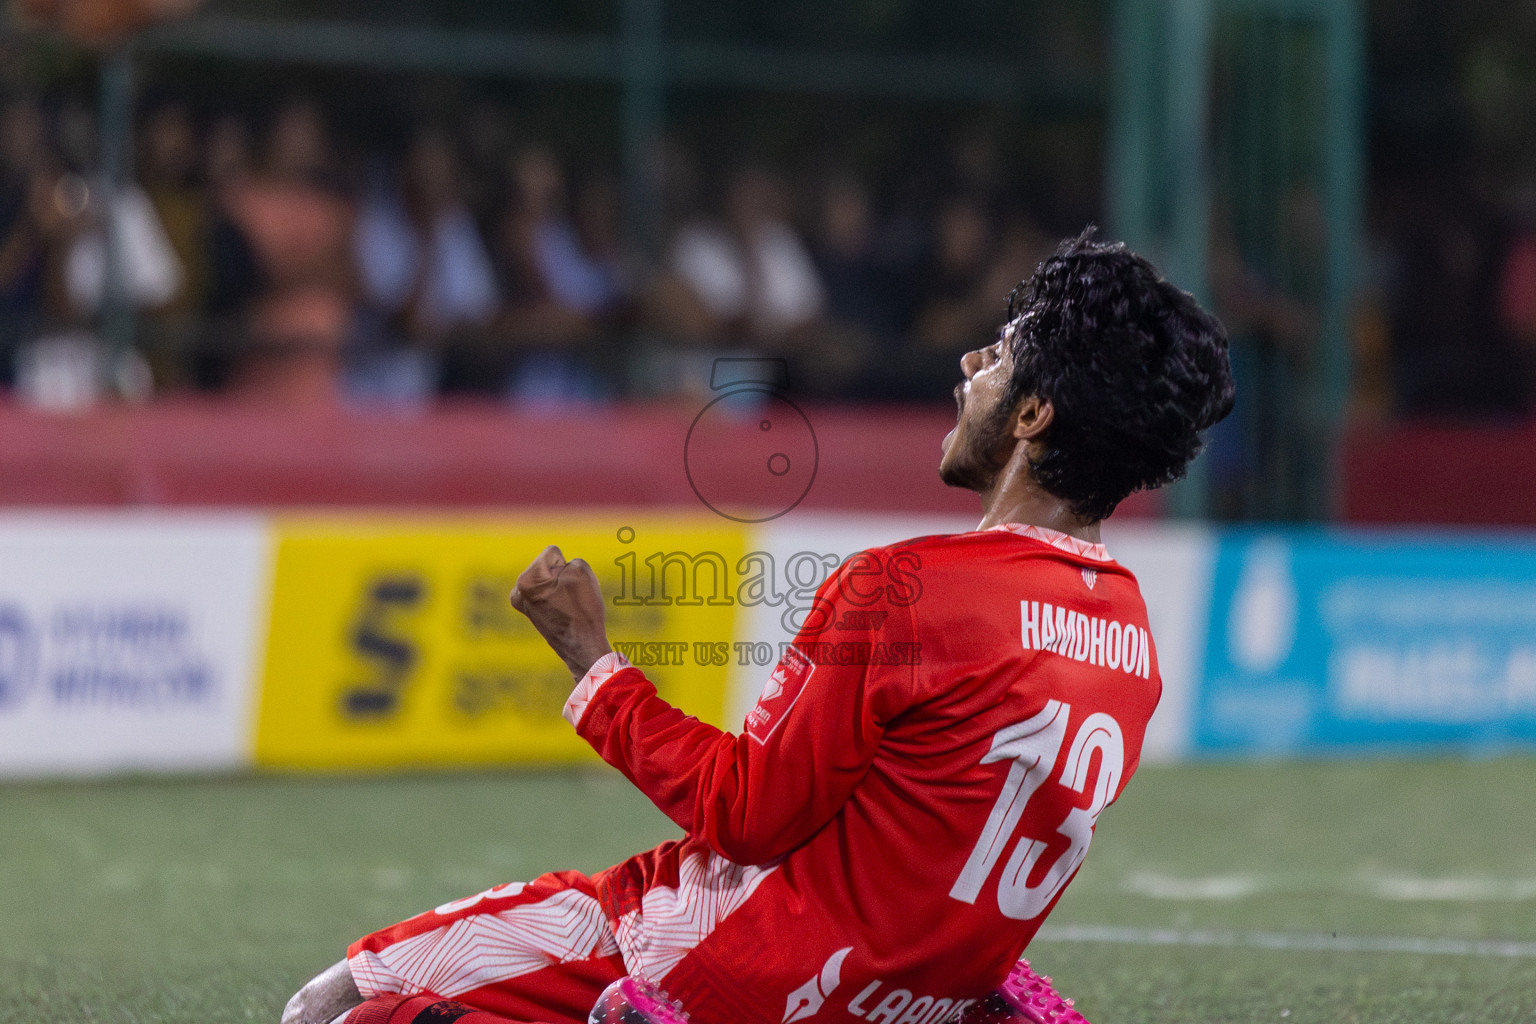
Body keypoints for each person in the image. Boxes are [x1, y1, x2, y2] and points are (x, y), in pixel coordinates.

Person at [281, 230, 1235, 1024]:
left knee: (329, 1009)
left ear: (1032, 414)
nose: (968, 365)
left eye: (998, 356)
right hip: (898, 1004)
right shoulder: (1131, 634)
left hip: (721, 961)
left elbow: (747, 815)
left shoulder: (911, 587)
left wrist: (592, 663)